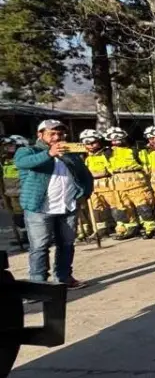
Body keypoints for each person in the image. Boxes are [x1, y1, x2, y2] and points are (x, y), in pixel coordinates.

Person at [14, 120, 93, 287]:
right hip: (39, 209)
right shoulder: (28, 151)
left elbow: (84, 174)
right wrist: (49, 153)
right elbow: (22, 163)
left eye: (60, 134)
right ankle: (38, 284)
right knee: (40, 247)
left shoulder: (70, 152)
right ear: (40, 134)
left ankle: (64, 278)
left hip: (67, 206)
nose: (57, 137)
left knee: (66, 244)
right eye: (52, 133)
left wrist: (85, 193)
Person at [104, 127, 155, 239]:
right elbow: (109, 168)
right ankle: (132, 228)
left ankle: (150, 228)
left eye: (119, 139)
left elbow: (147, 166)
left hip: (137, 183)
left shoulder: (136, 150)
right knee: (125, 209)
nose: (116, 142)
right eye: (113, 140)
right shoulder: (108, 153)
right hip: (119, 185)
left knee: (143, 207)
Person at [79, 129, 117, 240]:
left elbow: (113, 169)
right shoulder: (84, 156)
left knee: (115, 206)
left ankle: (120, 227)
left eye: (93, 142)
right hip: (93, 187)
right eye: (87, 143)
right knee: (96, 208)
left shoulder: (107, 153)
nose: (91, 146)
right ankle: (101, 230)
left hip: (108, 184)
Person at [2, 135, 29, 249]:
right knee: (17, 217)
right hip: (10, 193)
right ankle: (24, 236)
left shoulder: (22, 159)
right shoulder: (5, 160)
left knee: (26, 216)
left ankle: (30, 236)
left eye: (11, 146)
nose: (8, 149)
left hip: (23, 192)